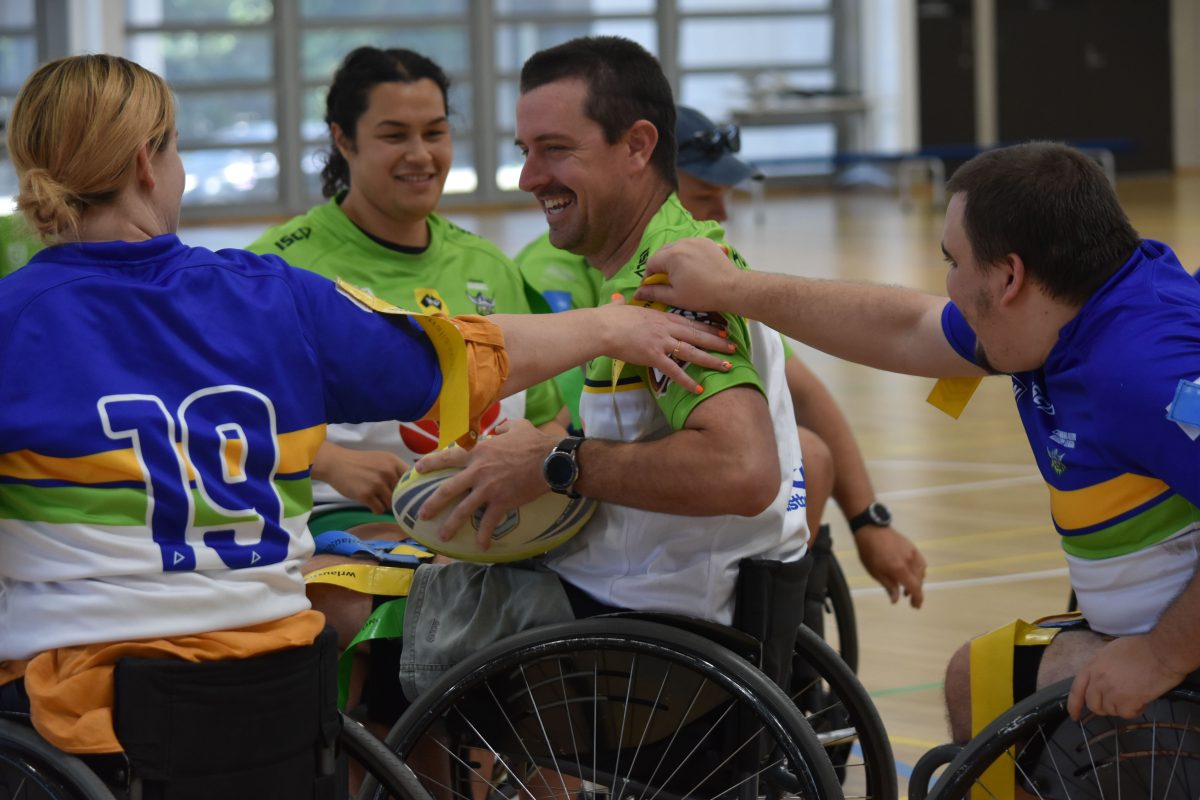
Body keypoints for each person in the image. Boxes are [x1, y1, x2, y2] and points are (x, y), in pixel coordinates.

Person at [0, 53, 729, 754]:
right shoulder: (273, 293)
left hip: (87, 714)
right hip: (272, 698)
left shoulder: (14, 320)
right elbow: (454, 355)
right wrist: (609, 324)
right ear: (143, 164)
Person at [635, 141, 1200, 740]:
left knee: (979, 686)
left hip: (1173, 651)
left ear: (1009, 276)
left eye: (953, 262)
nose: (948, 285)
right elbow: (907, 328)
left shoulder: (1145, 371)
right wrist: (733, 289)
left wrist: (1161, 655)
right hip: (1143, 628)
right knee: (975, 680)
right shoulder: (1068, 308)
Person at [415, 35, 808, 631]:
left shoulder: (669, 279)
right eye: (524, 149)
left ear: (637, 146)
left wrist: (556, 462)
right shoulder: (645, 266)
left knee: (392, 624)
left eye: (555, 149)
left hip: (647, 626)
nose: (527, 177)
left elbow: (741, 469)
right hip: (632, 595)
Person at [516, 103, 926, 607]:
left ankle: (781, 631)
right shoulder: (558, 267)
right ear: (651, 171)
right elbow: (555, 418)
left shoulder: (699, 266)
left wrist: (869, 520)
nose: (723, 214)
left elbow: (804, 392)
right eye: (707, 194)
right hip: (588, 459)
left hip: (649, 550)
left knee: (807, 456)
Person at [248, 47, 564, 535]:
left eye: (435, 133)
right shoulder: (277, 269)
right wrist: (328, 461)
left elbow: (549, 416)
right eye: (395, 135)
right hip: (336, 530)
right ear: (343, 140)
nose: (421, 155)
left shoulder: (489, 265)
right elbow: (216, 412)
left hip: (490, 528)